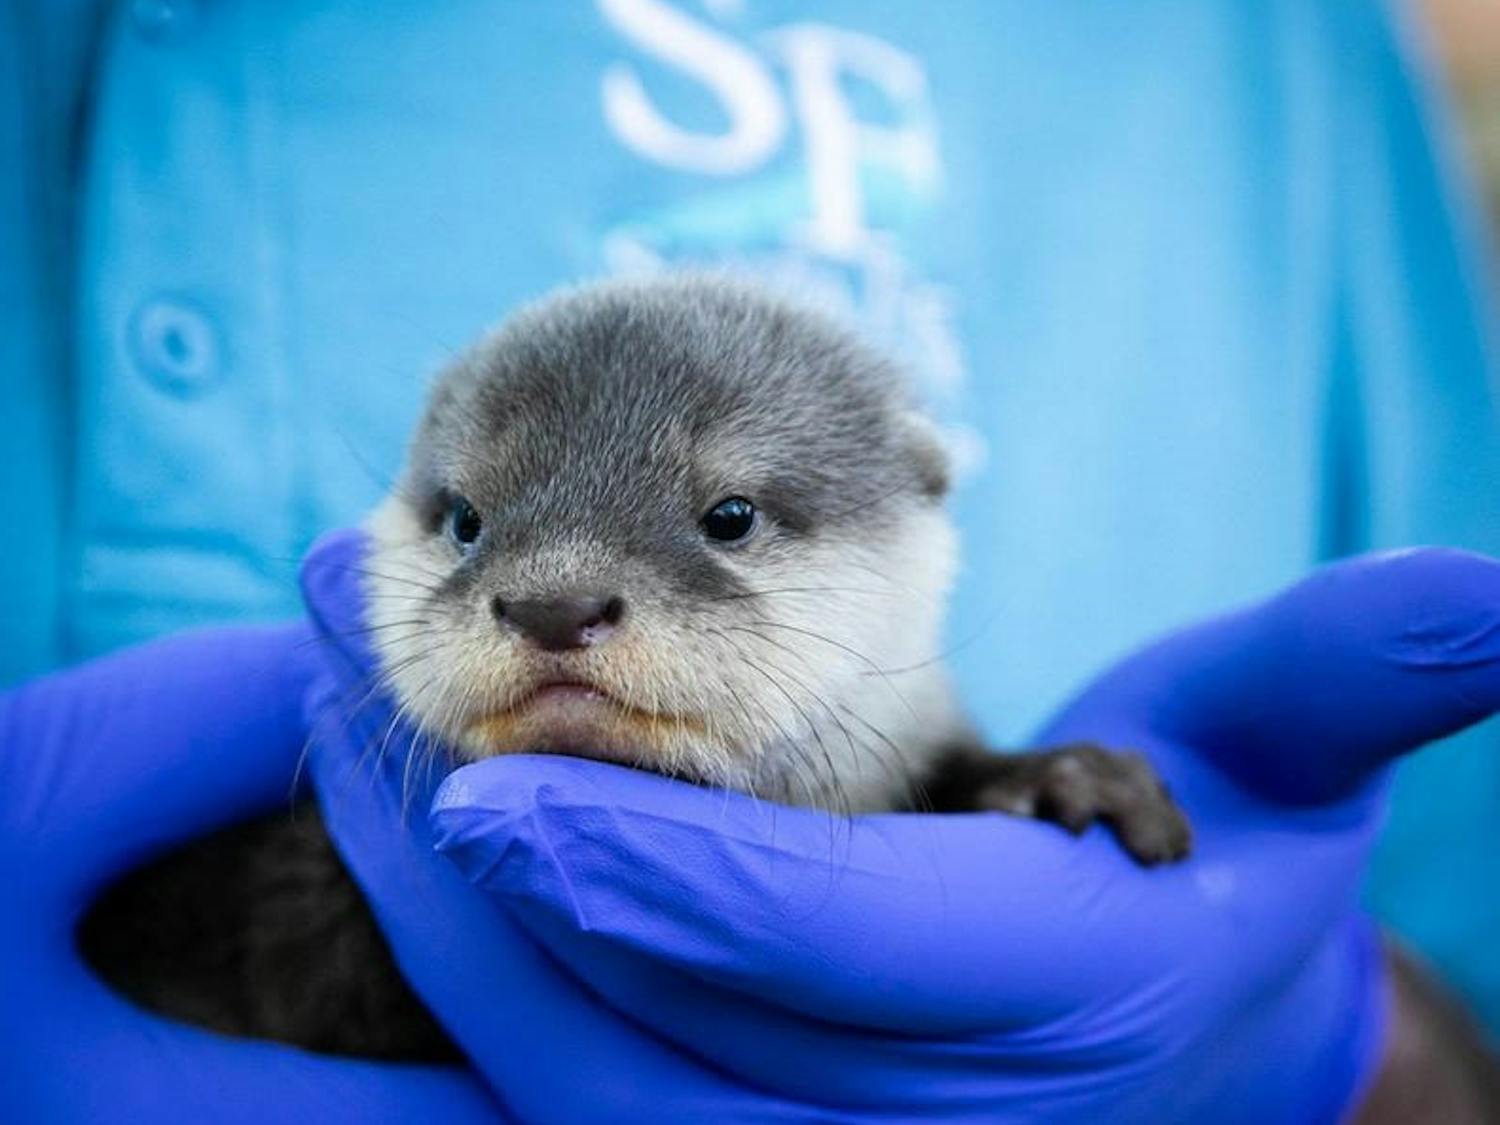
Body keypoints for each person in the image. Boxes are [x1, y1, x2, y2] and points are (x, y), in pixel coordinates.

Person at [2, 0, 1498, 1117]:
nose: (547, 593)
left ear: (922, 527)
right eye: (470, 527)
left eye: (725, 523)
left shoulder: (1264, 47)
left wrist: (1335, 1050)